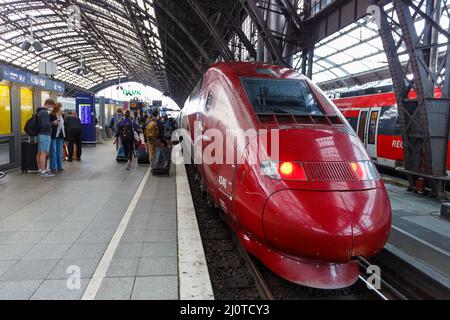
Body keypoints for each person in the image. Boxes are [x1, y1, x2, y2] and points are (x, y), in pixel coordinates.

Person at [36, 99, 57, 177]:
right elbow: (45, 125)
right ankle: (43, 171)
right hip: (45, 134)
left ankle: (40, 170)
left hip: (40, 134)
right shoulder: (44, 112)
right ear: (47, 104)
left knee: (39, 152)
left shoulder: (39, 111)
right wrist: (53, 123)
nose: (51, 108)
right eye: (51, 106)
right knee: (44, 153)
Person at [49, 103, 65, 173]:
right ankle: (53, 167)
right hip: (53, 135)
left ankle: (59, 166)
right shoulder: (52, 115)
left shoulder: (62, 115)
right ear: (58, 107)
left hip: (61, 135)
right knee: (53, 152)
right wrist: (54, 123)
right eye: (61, 107)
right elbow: (49, 124)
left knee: (60, 152)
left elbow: (64, 126)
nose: (62, 108)